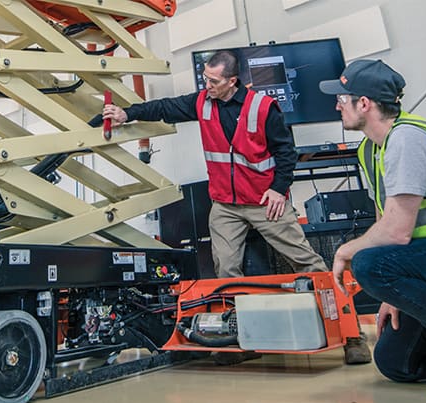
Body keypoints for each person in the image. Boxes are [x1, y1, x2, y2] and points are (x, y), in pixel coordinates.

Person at [89, 50, 371, 365]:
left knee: (308, 263)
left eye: (213, 80)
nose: (206, 85)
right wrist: (129, 113)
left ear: (232, 81)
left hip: (264, 201)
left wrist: (279, 190)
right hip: (225, 205)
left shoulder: (264, 108)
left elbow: (286, 152)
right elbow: (165, 107)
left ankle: (352, 335)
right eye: (205, 78)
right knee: (226, 272)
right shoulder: (202, 102)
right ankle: (244, 339)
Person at [319, 59, 426, 399]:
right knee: (395, 362)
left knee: (367, 263)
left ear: (364, 104)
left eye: (342, 98)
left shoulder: (407, 140)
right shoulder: (371, 149)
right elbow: (384, 223)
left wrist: (345, 251)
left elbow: (398, 233)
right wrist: (397, 294)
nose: (336, 105)